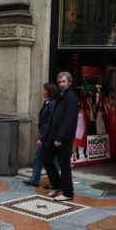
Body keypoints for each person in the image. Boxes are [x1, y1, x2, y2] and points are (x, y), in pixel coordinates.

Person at [42, 71, 79, 201]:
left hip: (63, 138)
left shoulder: (71, 97)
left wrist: (60, 138)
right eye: (60, 82)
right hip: (54, 135)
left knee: (64, 165)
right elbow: (54, 117)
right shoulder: (60, 95)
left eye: (64, 82)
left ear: (69, 82)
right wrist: (45, 137)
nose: (62, 84)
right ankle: (57, 185)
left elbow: (69, 119)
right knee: (46, 159)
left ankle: (68, 193)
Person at [23, 84, 58, 187]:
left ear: (49, 92)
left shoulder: (52, 104)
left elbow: (50, 122)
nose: (42, 92)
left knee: (52, 159)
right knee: (38, 155)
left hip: (48, 136)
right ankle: (34, 179)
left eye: (44, 90)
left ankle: (55, 182)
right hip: (44, 134)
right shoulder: (46, 102)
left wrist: (43, 138)